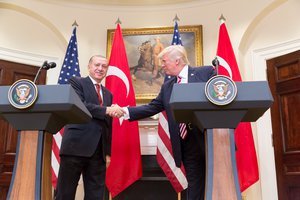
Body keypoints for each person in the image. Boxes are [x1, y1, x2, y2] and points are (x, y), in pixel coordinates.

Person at [122, 45, 216, 200]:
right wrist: (124, 111)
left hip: (209, 138)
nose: (162, 66)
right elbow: (152, 107)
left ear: (177, 61)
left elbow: (221, 93)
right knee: (194, 185)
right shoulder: (168, 86)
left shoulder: (205, 73)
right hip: (186, 143)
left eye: (164, 61)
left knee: (216, 182)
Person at [55, 55, 124, 200]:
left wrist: (107, 152)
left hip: (98, 152)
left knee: (96, 195)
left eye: (104, 66)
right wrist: (107, 110)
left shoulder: (108, 94)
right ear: (89, 66)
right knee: (65, 193)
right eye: (97, 65)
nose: (100, 69)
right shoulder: (76, 82)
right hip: (75, 147)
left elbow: (108, 125)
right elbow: (80, 106)